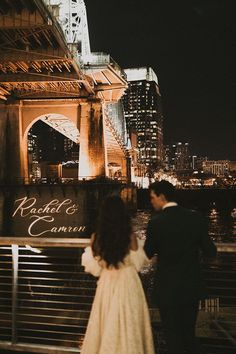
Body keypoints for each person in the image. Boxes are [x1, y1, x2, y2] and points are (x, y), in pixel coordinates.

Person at [144, 181, 217, 354]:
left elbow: (147, 253)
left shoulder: (156, 223)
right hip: (191, 287)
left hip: (167, 289)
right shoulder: (195, 218)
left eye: (152, 198)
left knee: (172, 337)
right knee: (189, 335)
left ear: (162, 197)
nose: (151, 202)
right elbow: (211, 251)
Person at [81, 195, 155, 354]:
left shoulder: (97, 237)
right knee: (130, 321)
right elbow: (139, 262)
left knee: (106, 318)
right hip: (128, 281)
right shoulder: (130, 236)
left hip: (108, 281)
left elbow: (94, 266)